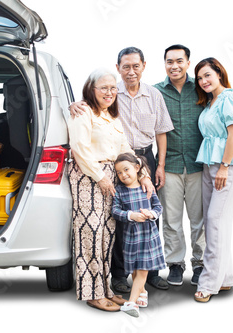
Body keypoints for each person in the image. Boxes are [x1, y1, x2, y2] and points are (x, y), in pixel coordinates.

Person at [70, 47, 173, 292]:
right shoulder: (101, 100)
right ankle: (116, 278)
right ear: (118, 69)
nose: (131, 71)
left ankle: (149, 273)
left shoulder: (148, 97)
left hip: (138, 159)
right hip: (107, 169)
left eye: (136, 66)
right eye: (125, 66)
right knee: (113, 224)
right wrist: (73, 104)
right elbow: (80, 144)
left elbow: (156, 133)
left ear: (144, 66)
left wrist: (148, 171)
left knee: (140, 219)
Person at [67, 68, 134, 312]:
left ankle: (105, 288)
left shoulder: (111, 115)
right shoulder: (82, 111)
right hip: (89, 177)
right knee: (90, 235)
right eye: (103, 88)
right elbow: (79, 148)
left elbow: (125, 148)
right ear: (91, 89)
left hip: (109, 177)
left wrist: (141, 172)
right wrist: (101, 177)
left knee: (107, 236)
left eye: (113, 88)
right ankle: (92, 293)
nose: (109, 92)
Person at [193, 58, 233, 302]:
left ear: (219, 73)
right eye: (199, 78)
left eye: (207, 75)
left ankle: (208, 283)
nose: (204, 81)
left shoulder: (228, 98)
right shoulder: (210, 101)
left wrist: (225, 166)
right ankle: (225, 277)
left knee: (215, 221)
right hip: (208, 164)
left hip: (226, 166)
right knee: (214, 221)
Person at [154, 44, 206, 286]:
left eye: (179, 61)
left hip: (199, 164)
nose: (174, 66)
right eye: (169, 61)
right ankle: (175, 264)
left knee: (200, 219)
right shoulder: (156, 92)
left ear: (187, 63)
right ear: (164, 64)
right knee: (171, 219)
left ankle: (200, 264)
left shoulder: (201, 88)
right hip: (169, 165)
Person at [112, 153, 165, 318]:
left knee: (142, 269)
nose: (123, 175)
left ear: (137, 168)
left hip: (148, 236)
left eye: (126, 170)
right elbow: (115, 211)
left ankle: (132, 302)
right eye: (119, 173)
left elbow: (158, 207)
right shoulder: (120, 191)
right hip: (130, 237)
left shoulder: (146, 188)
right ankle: (142, 292)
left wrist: (150, 214)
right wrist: (131, 215)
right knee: (135, 269)